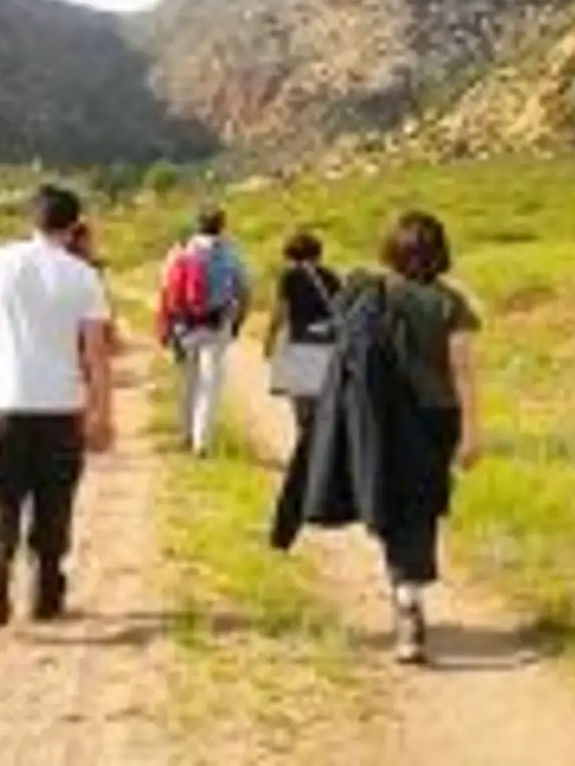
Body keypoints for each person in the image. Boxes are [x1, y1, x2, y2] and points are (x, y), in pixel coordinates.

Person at [270, 210, 482, 665]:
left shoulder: (369, 292)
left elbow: (335, 353)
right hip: (435, 419)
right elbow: (462, 370)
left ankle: (405, 598)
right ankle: (409, 592)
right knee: (420, 506)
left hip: (381, 417)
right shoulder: (452, 303)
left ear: (391, 249)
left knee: (390, 501)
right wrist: (471, 433)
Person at [0, 184, 115, 627]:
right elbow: (96, 354)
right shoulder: (84, 276)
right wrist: (101, 414)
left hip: (3, 402)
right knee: (55, 498)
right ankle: (47, 589)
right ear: (73, 226)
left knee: (0, 493)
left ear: (31, 220)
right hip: (61, 406)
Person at [158, 207, 250, 456]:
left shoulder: (180, 253)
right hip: (215, 325)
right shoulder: (230, 255)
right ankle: (202, 442)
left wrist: (167, 325)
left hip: (184, 326)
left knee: (187, 381)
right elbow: (244, 291)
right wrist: (237, 322)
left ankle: (185, 435)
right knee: (209, 383)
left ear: (197, 225)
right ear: (222, 226)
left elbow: (165, 290)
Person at [260, 230, 341, 432]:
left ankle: (304, 441)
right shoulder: (331, 276)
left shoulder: (289, 276)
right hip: (328, 341)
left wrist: (269, 339)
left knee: (302, 402)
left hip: (301, 341)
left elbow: (280, 312)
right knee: (322, 401)